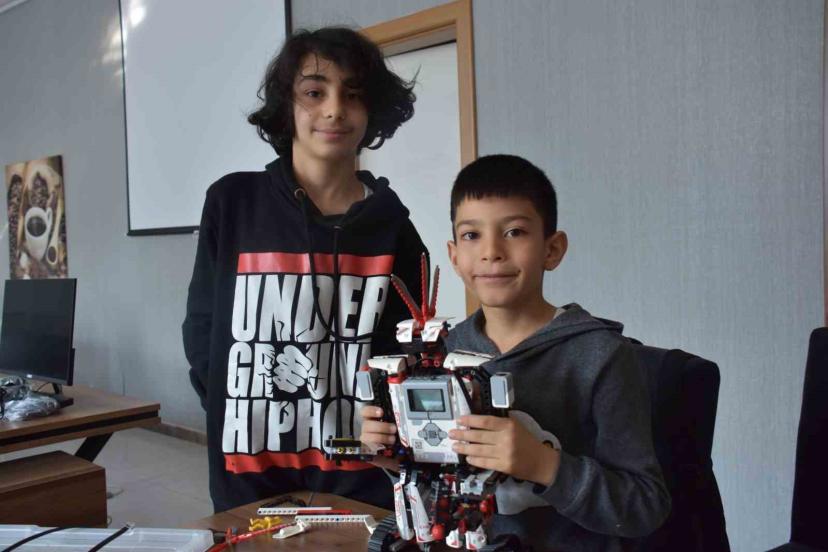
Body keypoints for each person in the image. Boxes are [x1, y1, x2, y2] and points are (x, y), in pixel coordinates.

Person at [361, 154, 670, 550]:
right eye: (472, 235)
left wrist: (543, 464)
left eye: (515, 232)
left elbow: (644, 506)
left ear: (552, 249)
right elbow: (441, 484)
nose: (491, 251)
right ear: (454, 256)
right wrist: (401, 453)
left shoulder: (602, 356)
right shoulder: (443, 350)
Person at [182, 26, 427, 513]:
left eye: (352, 94)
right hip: (249, 471)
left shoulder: (394, 227)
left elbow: (408, 355)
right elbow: (203, 328)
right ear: (286, 106)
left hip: (362, 480)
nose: (335, 109)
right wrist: (234, 411)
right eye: (315, 93)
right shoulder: (232, 202)